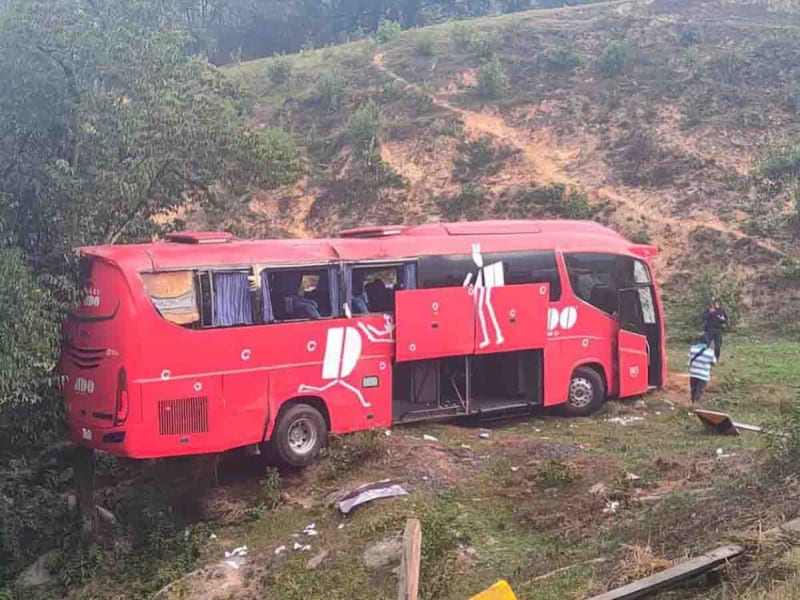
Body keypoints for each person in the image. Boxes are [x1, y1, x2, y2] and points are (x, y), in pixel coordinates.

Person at [688, 335, 717, 403]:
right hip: (703, 375)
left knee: (693, 390)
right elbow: (714, 363)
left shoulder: (692, 349)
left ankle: (692, 402)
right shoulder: (710, 352)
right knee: (699, 391)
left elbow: (689, 360)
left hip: (693, 374)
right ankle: (696, 405)